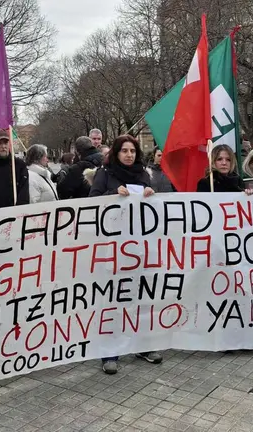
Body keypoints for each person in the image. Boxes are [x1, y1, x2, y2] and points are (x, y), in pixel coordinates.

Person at [87, 135, 162, 374]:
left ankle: (143, 345)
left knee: (141, 298)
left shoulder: (143, 174)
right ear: (116, 153)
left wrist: (152, 194)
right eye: (124, 151)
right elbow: (91, 203)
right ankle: (110, 352)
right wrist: (112, 194)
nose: (129, 155)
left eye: (133, 151)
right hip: (114, 248)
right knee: (115, 300)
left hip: (139, 248)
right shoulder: (105, 174)